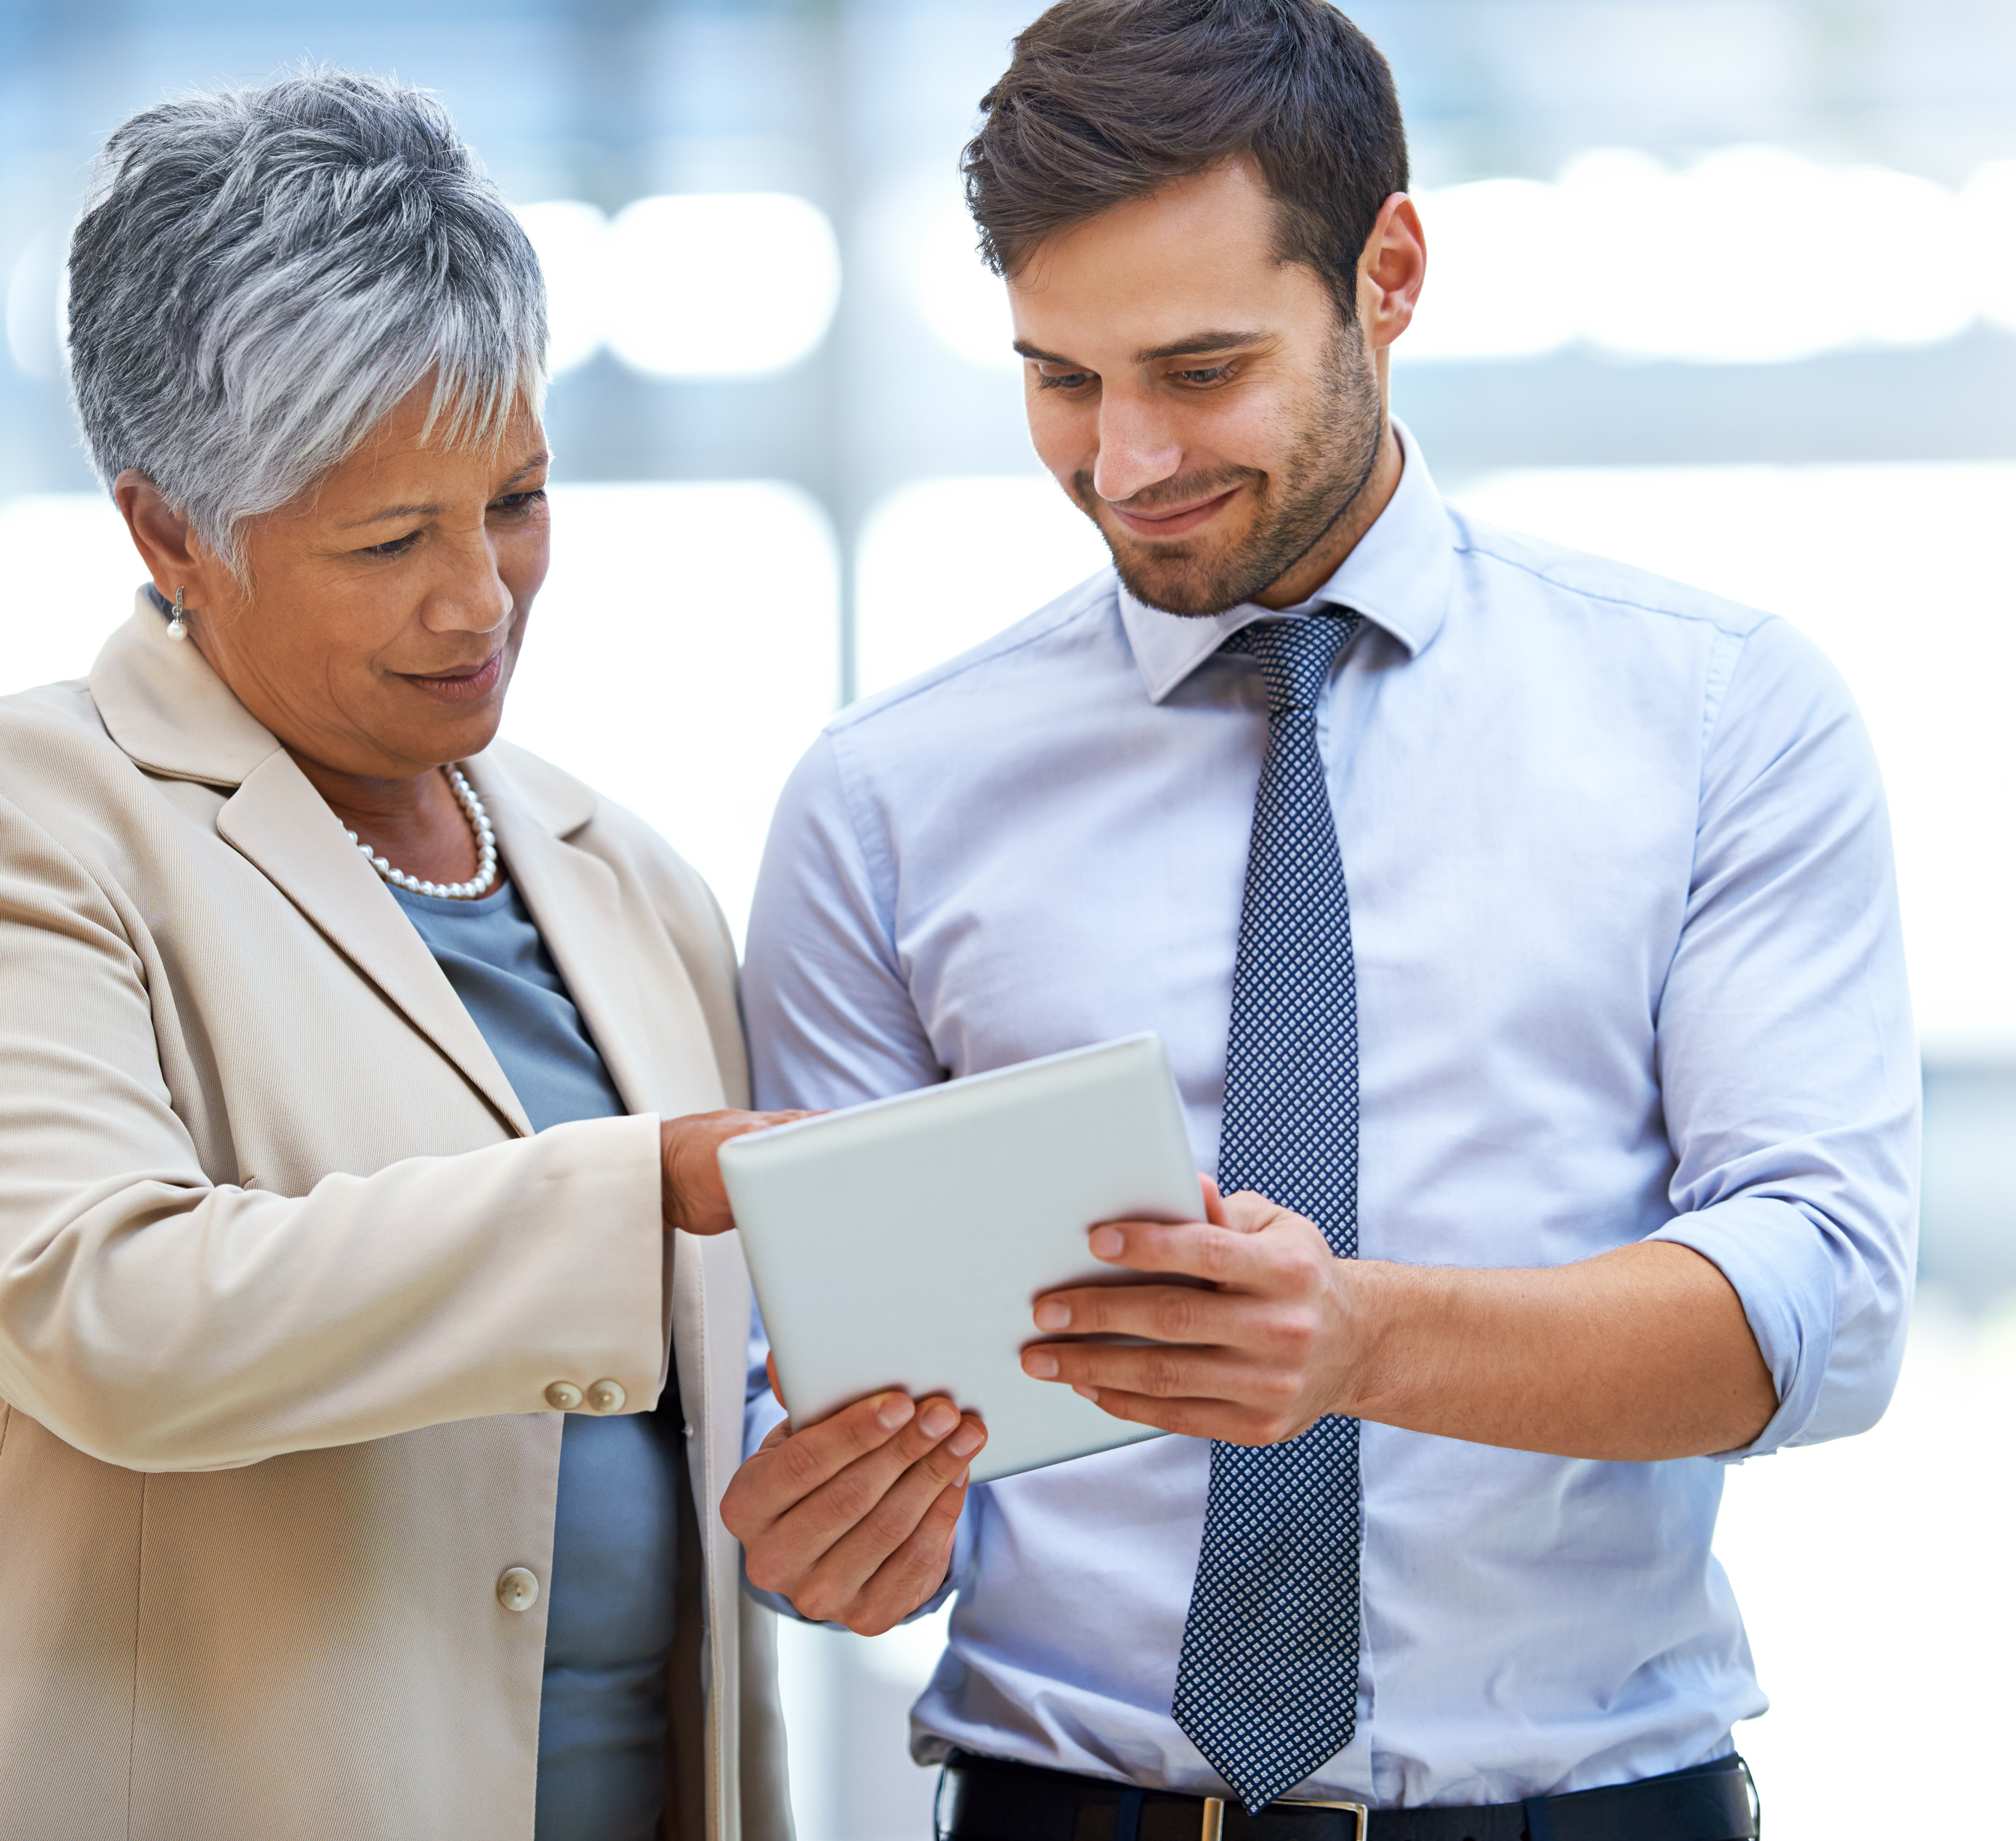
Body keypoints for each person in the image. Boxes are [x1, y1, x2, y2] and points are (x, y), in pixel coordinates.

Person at [721, 2, 1920, 1837]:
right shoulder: (886, 799)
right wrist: (836, 1533)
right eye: (1061, 378)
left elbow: (1821, 1304)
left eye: (1200, 370)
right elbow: (820, 1392)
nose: (1123, 463)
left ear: (1391, 273)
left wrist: (1357, 1339)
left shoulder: (1713, 715)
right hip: (1064, 1804)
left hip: (1584, 1803)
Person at [0, 72, 795, 1841]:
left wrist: (843, 1508)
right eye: (389, 540)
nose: (481, 598)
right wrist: (641, 1190)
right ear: (167, 531)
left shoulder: (633, 884)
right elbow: (110, 1314)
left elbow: (697, 1445)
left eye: (516, 500)